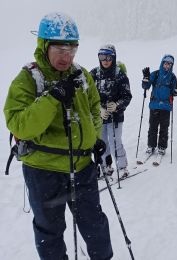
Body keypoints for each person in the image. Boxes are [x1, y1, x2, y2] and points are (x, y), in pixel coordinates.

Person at [3, 13, 113, 259]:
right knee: (50, 232)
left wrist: (94, 137)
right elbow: (20, 125)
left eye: (72, 49)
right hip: (44, 171)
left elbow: (95, 108)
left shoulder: (82, 75)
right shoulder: (27, 79)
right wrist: (52, 98)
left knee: (95, 225)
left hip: (82, 166)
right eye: (60, 49)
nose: (67, 56)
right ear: (44, 45)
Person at [90, 44, 132, 179]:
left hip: (115, 116)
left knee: (115, 141)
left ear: (113, 58)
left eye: (108, 57)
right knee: (102, 142)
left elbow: (127, 96)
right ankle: (105, 166)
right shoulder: (94, 74)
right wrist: (99, 109)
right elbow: (87, 97)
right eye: (102, 57)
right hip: (100, 116)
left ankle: (122, 167)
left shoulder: (119, 74)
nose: (105, 60)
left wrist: (117, 105)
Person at [142, 54, 177, 156]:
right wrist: (146, 78)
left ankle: (162, 147)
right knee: (153, 127)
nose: (167, 66)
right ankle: (151, 145)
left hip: (166, 106)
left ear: (172, 65)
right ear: (162, 63)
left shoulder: (172, 77)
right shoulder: (155, 74)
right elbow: (145, 86)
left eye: (169, 64)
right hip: (154, 105)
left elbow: (174, 93)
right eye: (166, 63)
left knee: (164, 128)